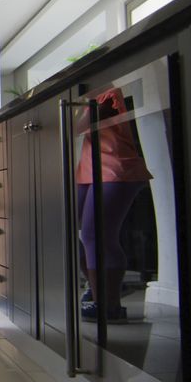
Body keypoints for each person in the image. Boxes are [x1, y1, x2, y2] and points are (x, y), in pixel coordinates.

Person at [75, 87, 152, 323]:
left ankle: (109, 305)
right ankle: (97, 288)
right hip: (90, 169)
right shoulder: (90, 97)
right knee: (79, 232)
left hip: (114, 166)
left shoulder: (109, 94)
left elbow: (76, 126)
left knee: (97, 235)